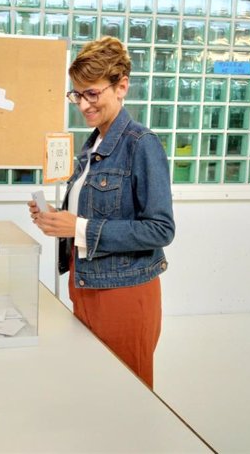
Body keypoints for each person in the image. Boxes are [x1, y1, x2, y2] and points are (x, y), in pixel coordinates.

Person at [28, 36, 175, 389]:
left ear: (121, 86)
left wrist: (79, 227)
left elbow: (160, 229)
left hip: (124, 293)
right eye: (77, 94)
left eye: (92, 93)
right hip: (86, 283)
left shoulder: (142, 144)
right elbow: (90, 213)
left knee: (128, 392)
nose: (83, 105)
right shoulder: (92, 144)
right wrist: (55, 219)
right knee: (94, 386)